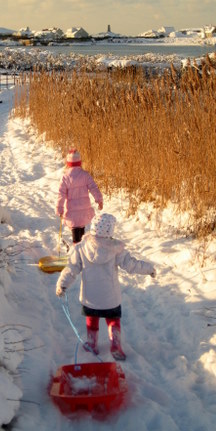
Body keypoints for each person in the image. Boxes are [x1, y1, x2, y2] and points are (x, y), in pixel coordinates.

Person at [56, 213, 156, 361]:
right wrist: (149, 269)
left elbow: (71, 269)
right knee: (113, 320)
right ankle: (115, 345)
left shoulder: (81, 248)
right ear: (110, 231)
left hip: (90, 297)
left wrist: (62, 284)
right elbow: (131, 264)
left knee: (92, 320)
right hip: (110, 297)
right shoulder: (116, 249)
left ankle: (92, 343)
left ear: (93, 228)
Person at [55, 148, 103, 244]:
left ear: (68, 164)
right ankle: (80, 250)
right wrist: (99, 199)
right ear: (79, 162)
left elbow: (61, 194)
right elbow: (94, 187)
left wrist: (59, 208)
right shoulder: (85, 175)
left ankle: (77, 252)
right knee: (81, 230)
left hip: (72, 211)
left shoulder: (66, 177)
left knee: (76, 234)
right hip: (84, 209)